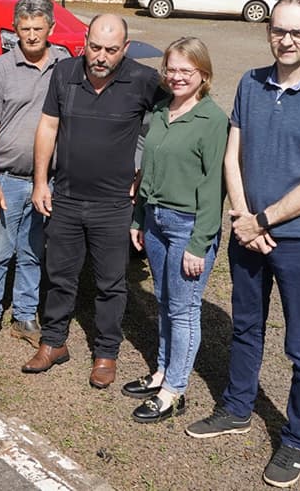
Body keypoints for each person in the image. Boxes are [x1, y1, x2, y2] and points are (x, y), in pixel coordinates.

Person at [185, 0, 300, 488]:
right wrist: (243, 217)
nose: (287, 40)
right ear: (268, 31)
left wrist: (262, 221)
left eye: (298, 32)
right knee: (245, 327)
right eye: (279, 30)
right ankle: (237, 408)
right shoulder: (250, 82)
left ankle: (296, 439)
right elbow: (232, 157)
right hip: (247, 232)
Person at [23, 14, 164, 386]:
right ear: (85, 41)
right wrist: (40, 182)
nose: (101, 57)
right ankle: (53, 342)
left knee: (110, 283)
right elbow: (48, 126)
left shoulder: (144, 80)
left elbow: (173, 122)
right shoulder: (64, 73)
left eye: (111, 50)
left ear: (126, 49)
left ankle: (105, 353)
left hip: (114, 203)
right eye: (95, 47)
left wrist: (147, 172)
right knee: (59, 276)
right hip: (66, 197)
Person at [124, 37, 228, 423]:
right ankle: (163, 371)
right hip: (155, 220)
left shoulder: (213, 121)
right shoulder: (161, 110)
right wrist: (139, 218)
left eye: (187, 70)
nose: (177, 76)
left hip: (189, 226)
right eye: (171, 69)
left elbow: (214, 187)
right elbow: (147, 172)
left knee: (183, 309)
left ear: (204, 73)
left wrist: (200, 244)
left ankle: (174, 390)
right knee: (164, 301)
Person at [0, 0, 69, 356]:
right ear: (15, 29)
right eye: (24, 29)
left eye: (38, 28)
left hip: (46, 180)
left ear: (50, 28)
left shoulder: (64, 65)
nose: (31, 35)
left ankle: (25, 316)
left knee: (33, 251)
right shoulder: (0, 68)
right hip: (7, 177)